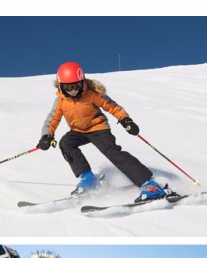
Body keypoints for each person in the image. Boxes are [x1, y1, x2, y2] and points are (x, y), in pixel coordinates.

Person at [37, 61, 170, 202]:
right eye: (68, 87)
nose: (73, 90)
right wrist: (46, 136)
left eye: (76, 86)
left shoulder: (92, 93)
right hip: (78, 131)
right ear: (60, 86)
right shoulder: (61, 101)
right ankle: (88, 179)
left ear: (83, 82)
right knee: (66, 143)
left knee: (112, 153)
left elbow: (113, 107)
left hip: (98, 128)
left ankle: (149, 184)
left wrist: (126, 120)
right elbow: (52, 119)